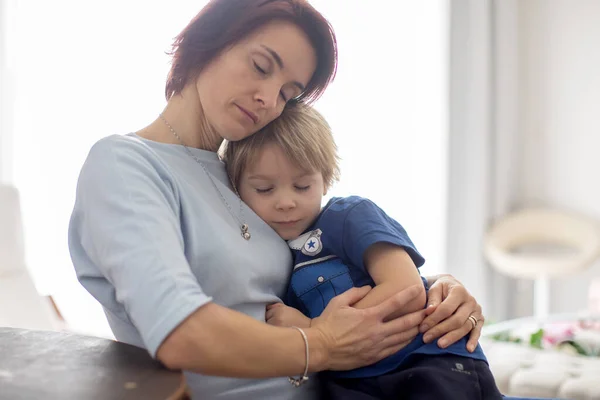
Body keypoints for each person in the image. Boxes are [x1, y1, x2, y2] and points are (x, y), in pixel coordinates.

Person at [68, 1, 485, 399]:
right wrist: (321, 343)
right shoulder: (126, 164)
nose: (269, 100)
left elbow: (320, 264)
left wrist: (435, 294)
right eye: (260, 66)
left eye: (287, 93)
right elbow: (180, 332)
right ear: (209, 40)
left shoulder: (238, 175)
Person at [221, 103, 502, 399]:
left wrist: (314, 328)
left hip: (428, 361)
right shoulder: (274, 252)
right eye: (265, 189)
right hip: (354, 381)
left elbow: (405, 290)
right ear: (237, 190)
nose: (286, 202)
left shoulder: (348, 215)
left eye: (302, 186)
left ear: (326, 178)